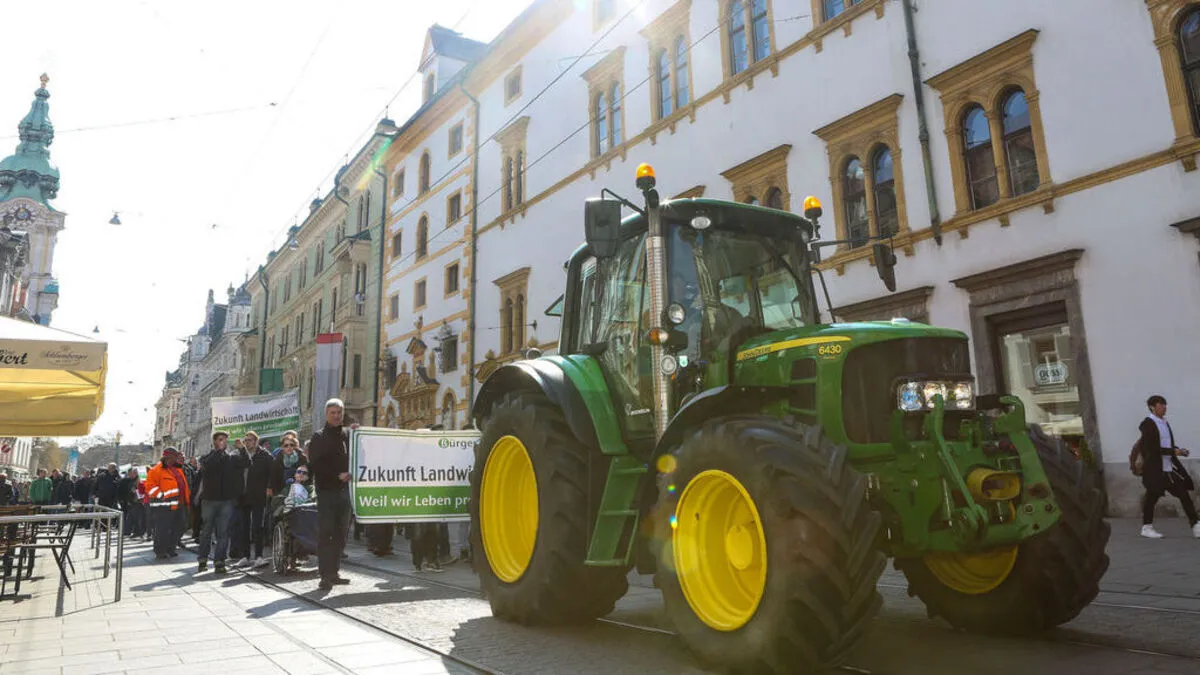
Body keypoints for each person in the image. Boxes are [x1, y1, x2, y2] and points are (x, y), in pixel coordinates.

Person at [1136, 395, 1199, 538]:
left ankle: (1196, 525)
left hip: (1169, 468)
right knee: (1151, 498)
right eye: (1161, 405)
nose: (1164, 408)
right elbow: (1151, 448)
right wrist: (1172, 451)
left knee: (1184, 494)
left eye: (1165, 405)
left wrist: (1178, 450)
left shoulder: (1164, 423)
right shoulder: (1148, 424)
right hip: (1155, 470)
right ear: (1152, 407)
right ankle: (1147, 527)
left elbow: (1166, 445)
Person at [308, 398, 355, 590]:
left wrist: (358, 433)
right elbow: (316, 465)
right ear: (326, 414)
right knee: (326, 533)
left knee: (340, 534)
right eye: (333, 413)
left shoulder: (348, 435)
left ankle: (334, 572)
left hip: (345, 492)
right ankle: (324, 575)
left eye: (339, 412)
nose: (336, 416)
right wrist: (337, 476)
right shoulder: (319, 437)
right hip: (327, 492)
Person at [196, 431, 247, 574]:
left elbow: (247, 463)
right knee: (206, 531)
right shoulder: (206, 458)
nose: (223, 442)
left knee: (223, 533)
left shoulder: (231, 458)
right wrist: (218, 450)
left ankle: (219, 562)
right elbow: (209, 464)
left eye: (225, 439)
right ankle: (202, 560)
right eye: (220, 439)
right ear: (214, 442)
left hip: (226, 501)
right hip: (209, 500)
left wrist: (242, 449)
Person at [233, 432, 272, 569]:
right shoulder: (240, 454)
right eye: (245, 440)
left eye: (249, 440)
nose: (247, 442)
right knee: (244, 527)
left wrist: (269, 487)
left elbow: (271, 473)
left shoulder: (265, 455)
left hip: (258, 494)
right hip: (243, 495)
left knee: (257, 526)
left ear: (256, 441)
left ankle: (259, 556)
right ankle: (245, 556)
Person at [145, 448, 191, 559]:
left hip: (179, 504)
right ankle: (160, 551)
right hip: (163, 505)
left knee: (179, 527)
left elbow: (183, 486)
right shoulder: (156, 470)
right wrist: (161, 496)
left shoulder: (178, 469)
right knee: (162, 529)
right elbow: (150, 487)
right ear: (168, 457)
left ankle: (171, 548)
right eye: (175, 456)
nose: (177, 458)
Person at [120, 468, 146, 538]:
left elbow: (141, 491)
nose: (132, 474)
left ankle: (139, 532)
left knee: (138, 518)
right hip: (132, 501)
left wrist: (135, 491)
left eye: (134, 473)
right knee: (134, 518)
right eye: (132, 473)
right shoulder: (131, 480)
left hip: (138, 501)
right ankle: (135, 532)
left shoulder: (139, 480)